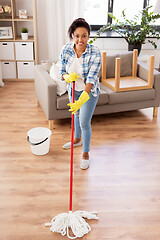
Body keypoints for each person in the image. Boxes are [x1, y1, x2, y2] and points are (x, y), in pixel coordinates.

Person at [59, 18, 101, 170]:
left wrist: (83, 97)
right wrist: (66, 77)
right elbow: (62, 70)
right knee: (75, 115)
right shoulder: (66, 50)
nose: (80, 39)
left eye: (84, 35)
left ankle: (86, 153)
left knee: (84, 122)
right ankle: (77, 139)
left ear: (88, 36)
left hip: (89, 92)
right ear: (72, 36)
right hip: (73, 89)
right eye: (77, 35)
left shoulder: (95, 52)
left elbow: (92, 78)